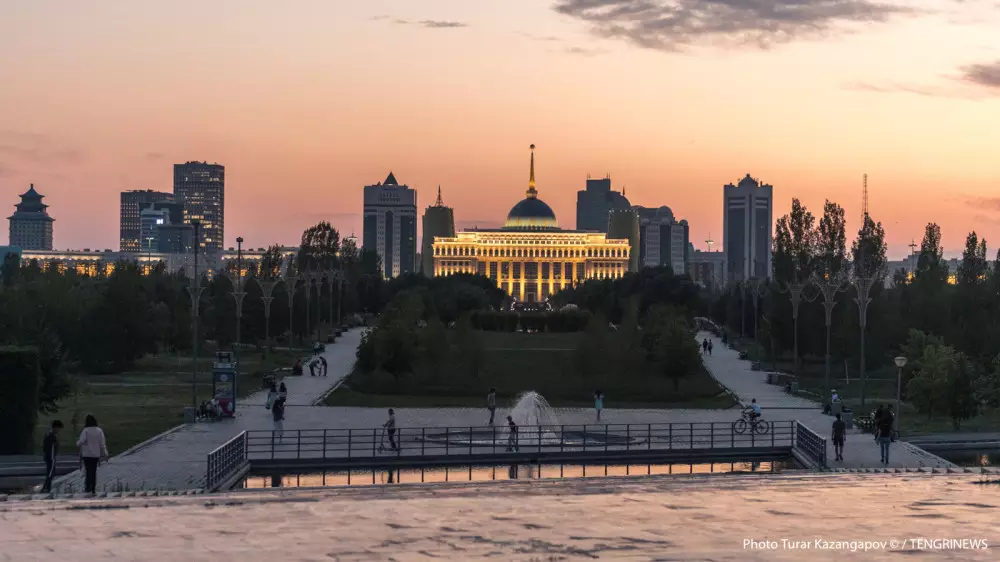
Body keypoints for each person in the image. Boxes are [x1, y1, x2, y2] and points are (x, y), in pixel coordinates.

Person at [76, 415, 108, 495]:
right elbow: (102, 443)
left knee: (88, 471)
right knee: (93, 472)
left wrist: (77, 443)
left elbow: (82, 441)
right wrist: (105, 453)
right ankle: (93, 489)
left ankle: (88, 488)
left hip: (87, 454)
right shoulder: (99, 431)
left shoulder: (86, 430)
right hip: (95, 455)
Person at [41, 420, 63, 493]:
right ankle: (46, 488)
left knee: (50, 472)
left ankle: (46, 488)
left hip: (48, 456)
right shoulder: (52, 436)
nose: (59, 431)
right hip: (51, 457)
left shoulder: (48, 434)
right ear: (56, 427)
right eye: (59, 429)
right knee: (51, 473)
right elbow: (53, 447)